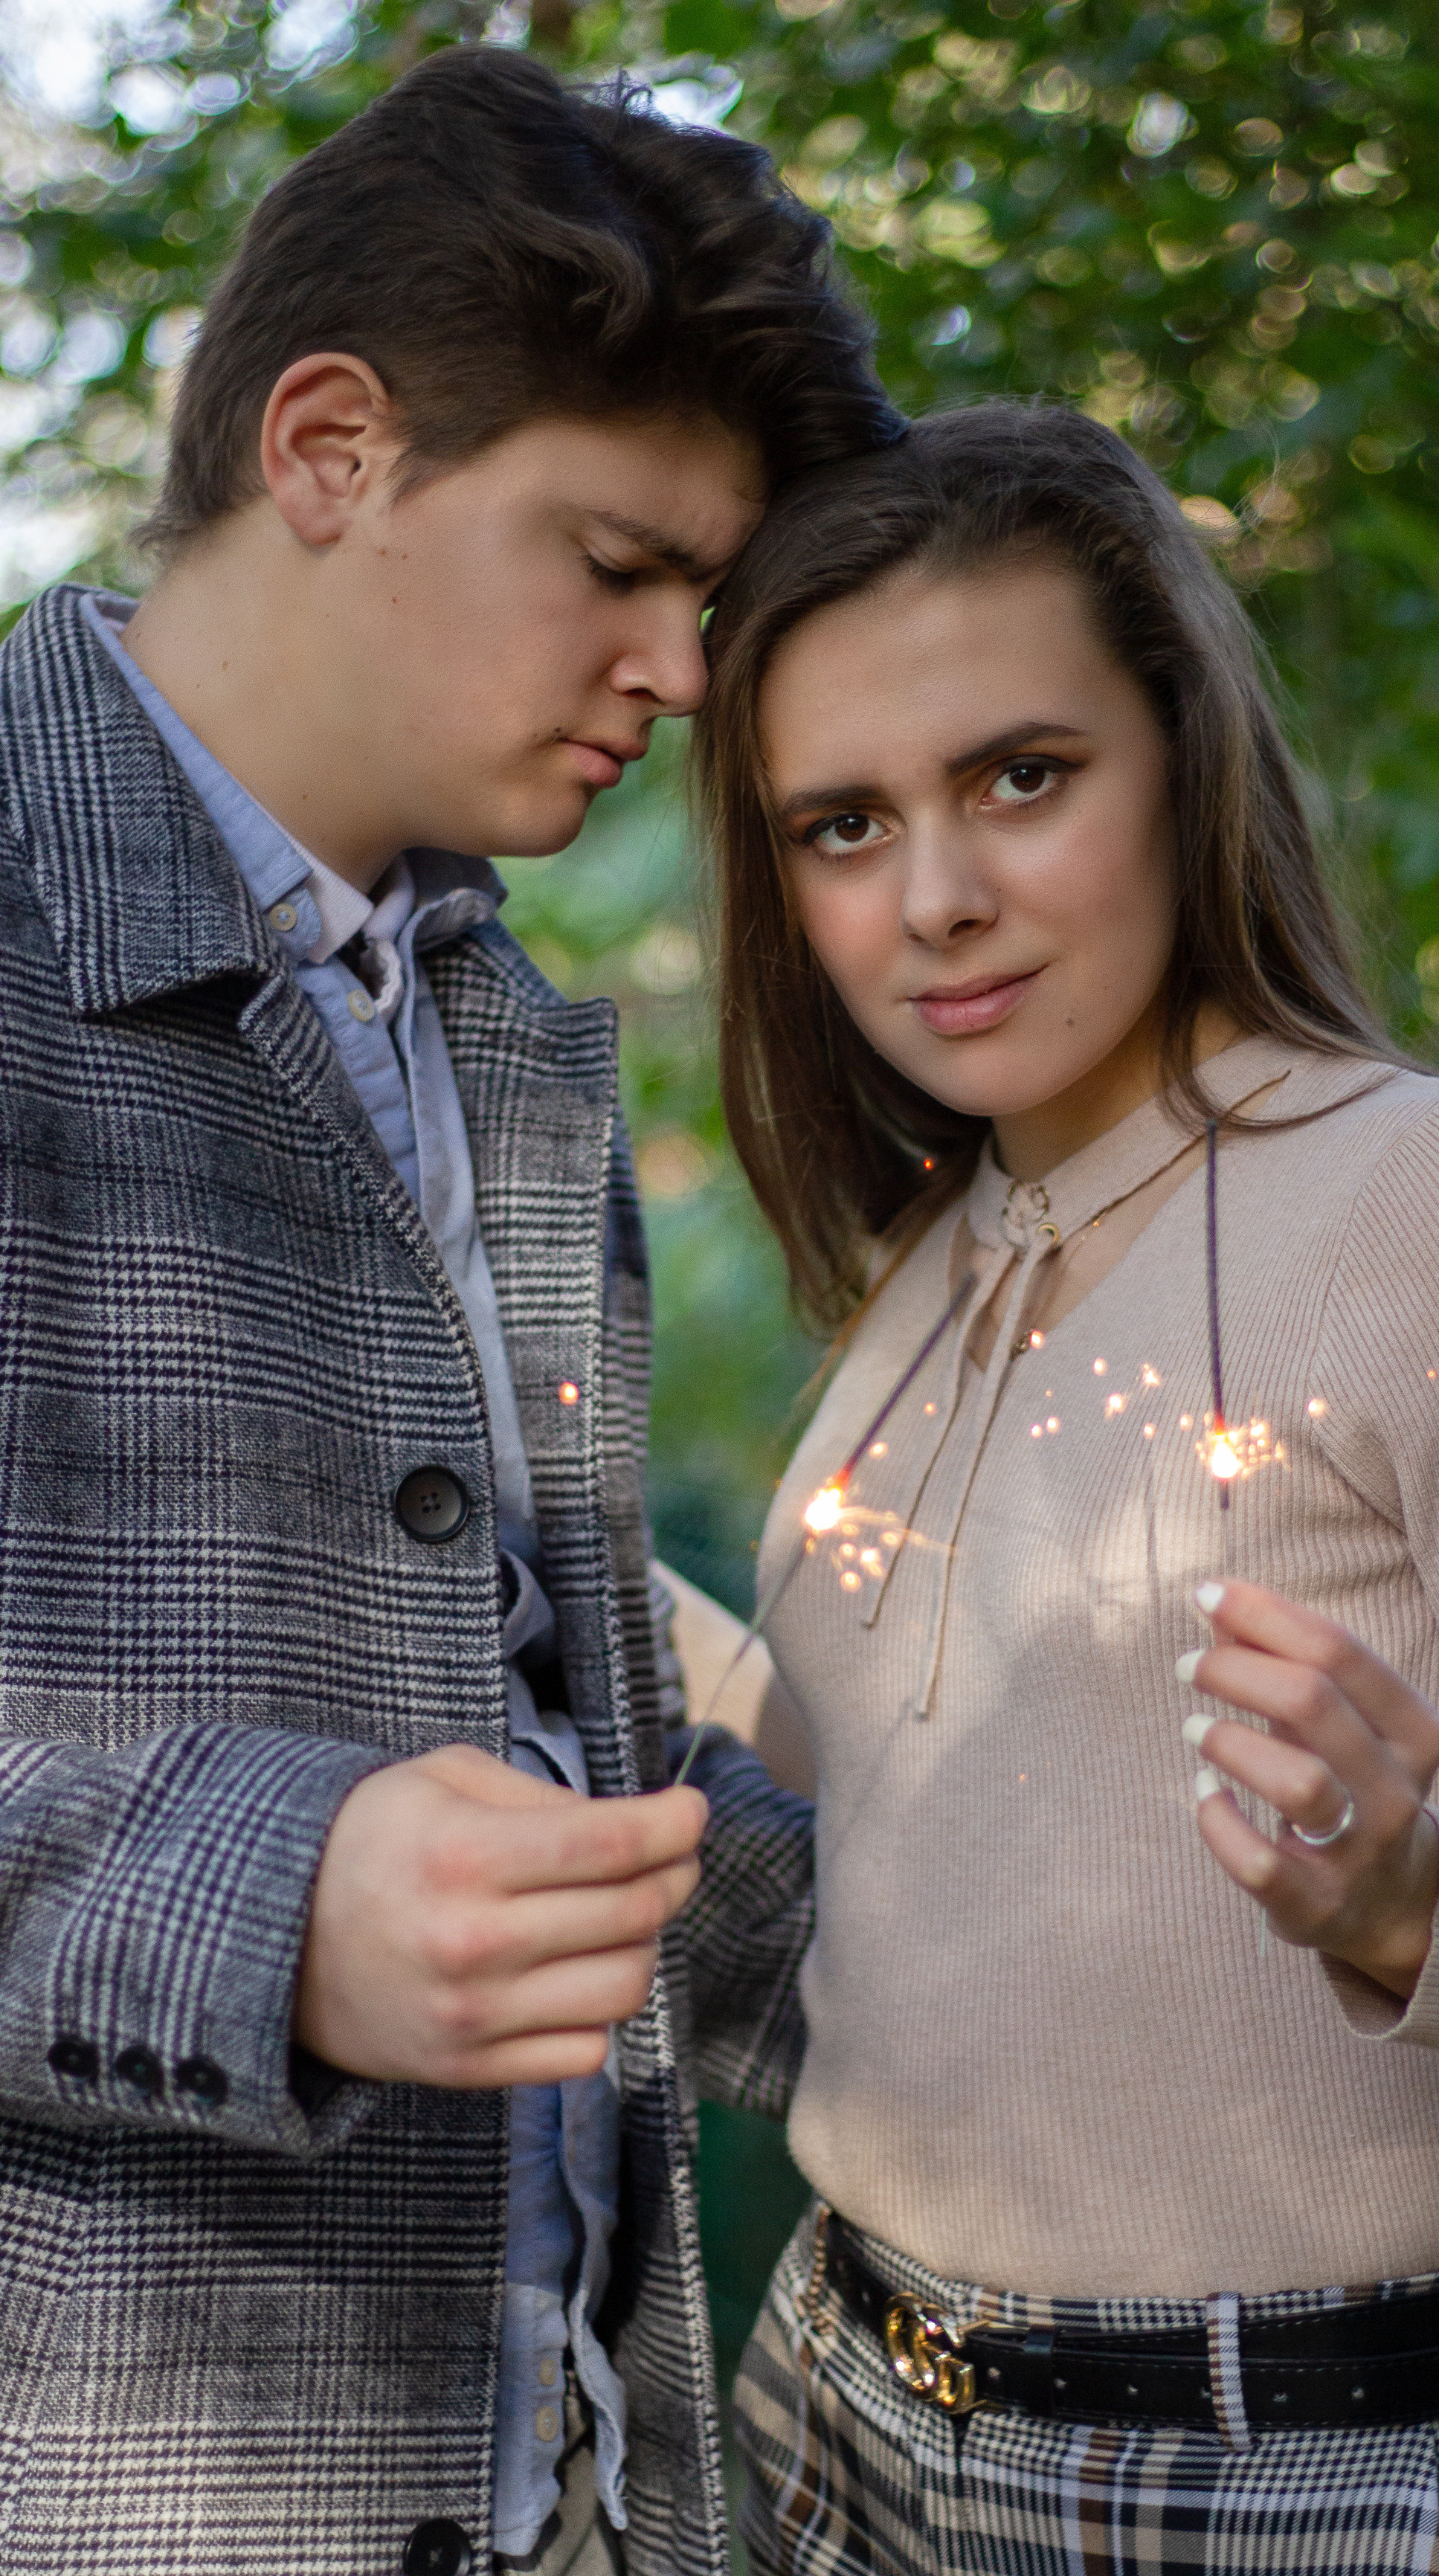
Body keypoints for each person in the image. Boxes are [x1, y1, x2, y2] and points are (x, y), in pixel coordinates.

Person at [0, 45, 891, 2576]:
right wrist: (270, 1909)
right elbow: (334, 1862)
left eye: (707, 598)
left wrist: (988, 1906)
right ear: (327, 447)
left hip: (573, 2485)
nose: (689, 671)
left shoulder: (488, 1020)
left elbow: (534, 1723)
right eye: (617, 560)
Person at [689, 402, 1439, 2574]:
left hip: (1250, 2483)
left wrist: (1414, 1896)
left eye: (1021, 778)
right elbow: (892, 1826)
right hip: (827, 2404)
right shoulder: (936, 1254)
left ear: (1181, 754)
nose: (938, 898)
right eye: (843, 824)